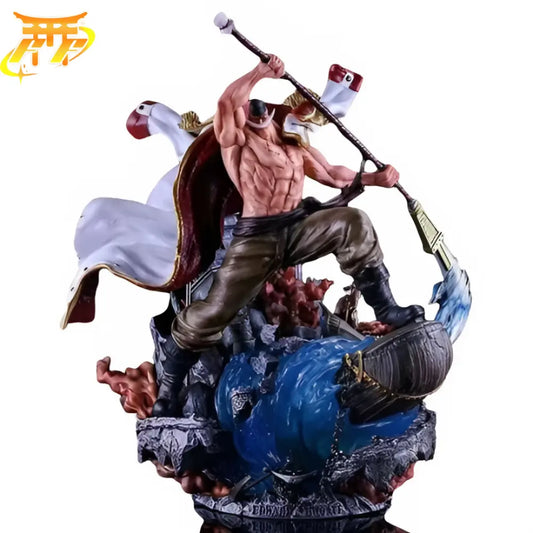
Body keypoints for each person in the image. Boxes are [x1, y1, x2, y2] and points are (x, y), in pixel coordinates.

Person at [153, 55, 424, 416]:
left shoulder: (294, 142)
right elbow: (225, 103)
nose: (258, 110)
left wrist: (375, 179)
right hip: (256, 239)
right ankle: (169, 388)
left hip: (296, 228)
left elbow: (334, 175)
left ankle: (386, 308)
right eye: (250, 107)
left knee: (353, 223)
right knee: (211, 314)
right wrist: (260, 72)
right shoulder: (237, 141)